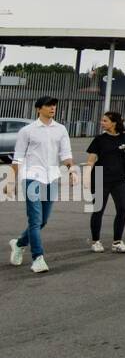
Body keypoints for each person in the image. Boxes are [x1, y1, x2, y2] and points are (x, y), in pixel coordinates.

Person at [5, 96, 77, 274]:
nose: (52, 108)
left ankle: (19, 243)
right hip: (31, 178)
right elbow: (18, 157)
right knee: (35, 220)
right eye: (48, 105)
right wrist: (11, 181)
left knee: (43, 220)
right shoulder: (27, 131)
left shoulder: (60, 129)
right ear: (39, 109)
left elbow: (66, 153)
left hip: (52, 178)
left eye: (54, 106)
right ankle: (38, 258)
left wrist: (72, 169)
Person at [85, 111, 125, 253]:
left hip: (119, 179)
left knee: (122, 209)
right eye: (102, 120)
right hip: (100, 178)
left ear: (114, 123)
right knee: (98, 211)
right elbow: (90, 160)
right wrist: (86, 178)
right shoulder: (99, 139)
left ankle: (117, 242)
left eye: (105, 121)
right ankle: (96, 241)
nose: (102, 123)